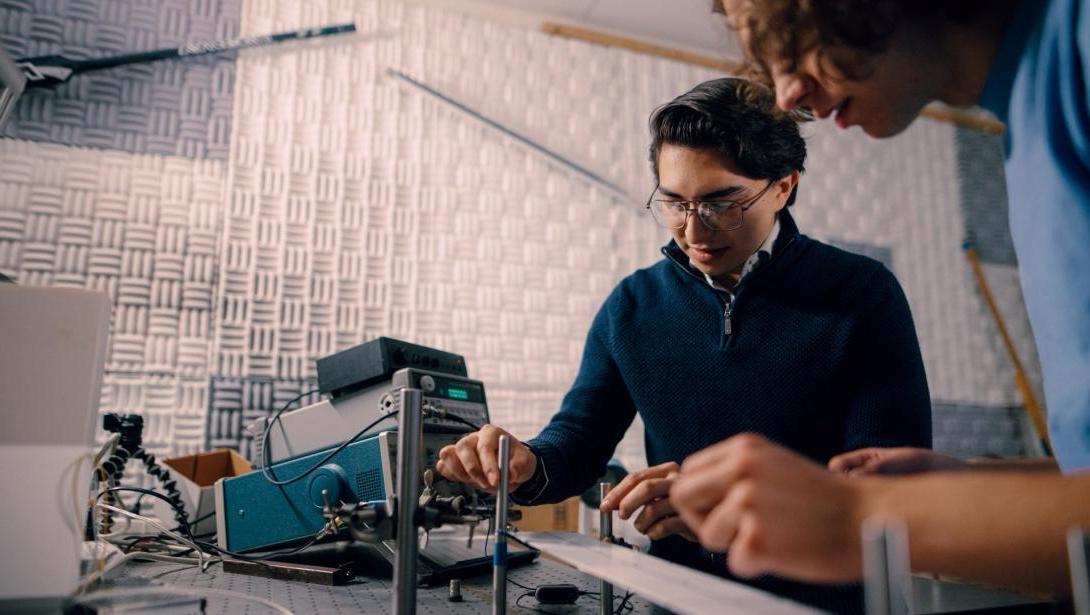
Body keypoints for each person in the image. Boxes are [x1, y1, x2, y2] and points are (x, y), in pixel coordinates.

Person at [437, 77, 931, 613]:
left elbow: (888, 485)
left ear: (784, 186)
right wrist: (525, 465)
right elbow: (578, 443)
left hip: (826, 600)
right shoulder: (631, 306)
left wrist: (728, 507)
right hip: (678, 598)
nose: (694, 230)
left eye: (722, 203)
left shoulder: (861, 293)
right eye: (674, 203)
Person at [671, 0, 1090, 599]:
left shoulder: (1077, 45)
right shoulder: (1025, 124)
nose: (786, 94)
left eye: (794, 40)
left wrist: (867, 517)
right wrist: (967, 489)